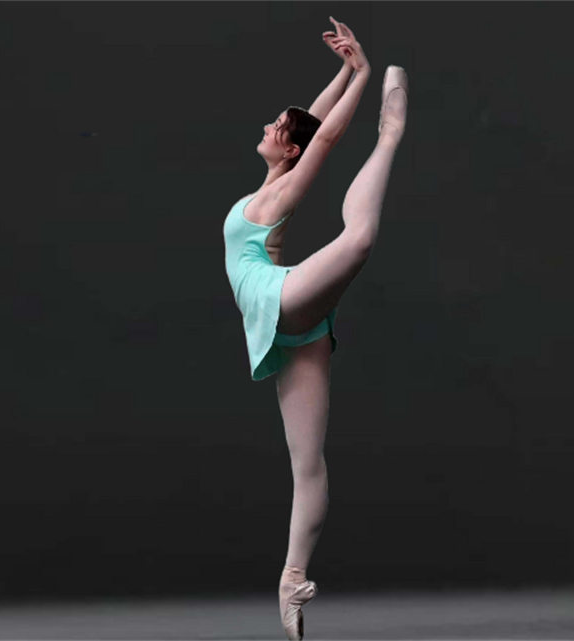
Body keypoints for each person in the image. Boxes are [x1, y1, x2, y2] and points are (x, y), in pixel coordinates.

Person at [221, 16, 407, 641]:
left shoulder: (279, 195)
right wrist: (342, 71)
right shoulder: (270, 182)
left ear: (288, 150)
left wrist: (362, 74)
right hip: (290, 325)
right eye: (275, 122)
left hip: (282, 298)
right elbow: (309, 121)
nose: (270, 127)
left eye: (276, 130)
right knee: (309, 464)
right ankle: (292, 582)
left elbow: (319, 140)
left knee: (358, 240)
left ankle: (389, 136)